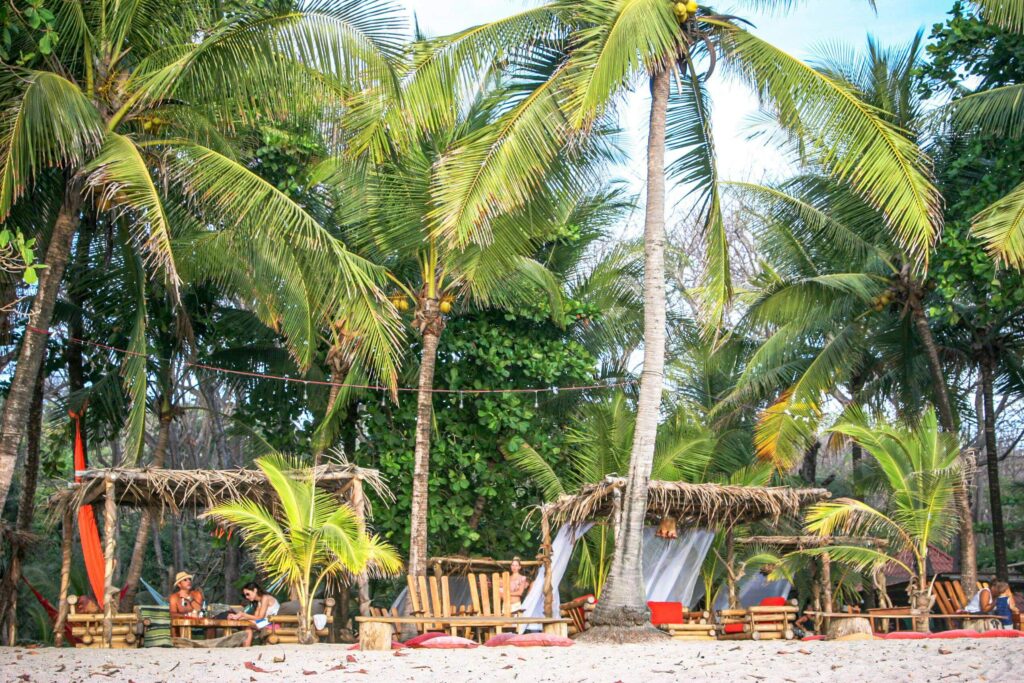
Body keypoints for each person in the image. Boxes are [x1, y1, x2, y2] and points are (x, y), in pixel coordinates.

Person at [228, 582, 280, 646]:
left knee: (246, 623)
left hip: (274, 623)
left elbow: (260, 618)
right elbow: (256, 618)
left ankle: (246, 647)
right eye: (245, 595)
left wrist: (243, 615)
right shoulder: (259, 602)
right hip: (267, 622)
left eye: (248, 594)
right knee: (246, 624)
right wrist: (240, 616)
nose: (247, 597)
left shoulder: (265, 598)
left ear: (255, 590)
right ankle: (246, 648)